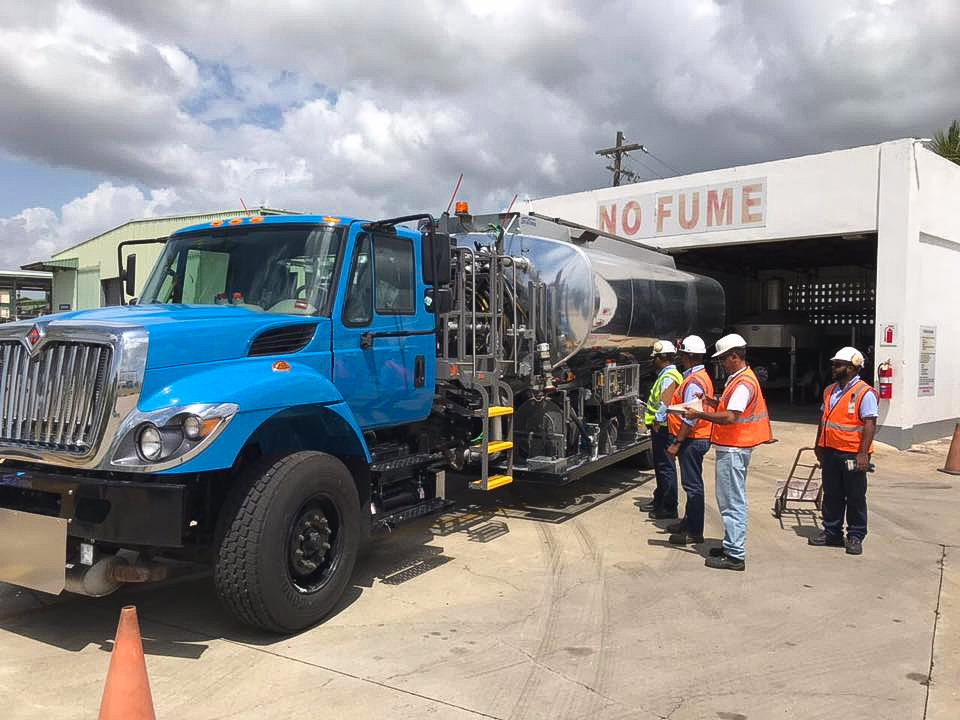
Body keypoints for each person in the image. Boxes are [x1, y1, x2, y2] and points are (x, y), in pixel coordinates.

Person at [684, 333, 772, 571]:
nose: (721, 363)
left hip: (734, 448)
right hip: (734, 447)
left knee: (732, 501)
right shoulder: (740, 379)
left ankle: (734, 554)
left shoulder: (743, 383)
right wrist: (710, 402)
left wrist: (700, 414)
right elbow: (727, 408)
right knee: (730, 499)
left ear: (735, 356)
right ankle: (730, 544)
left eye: (723, 359)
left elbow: (731, 417)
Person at [808, 347, 878, 556]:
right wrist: (818, 444)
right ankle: (832, 532)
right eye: (834, 364)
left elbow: (869, 423)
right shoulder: (830, 390)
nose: (833, 367)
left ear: (852, 368)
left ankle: (855, 536)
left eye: (838, 364)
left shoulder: (865, 393)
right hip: (830, 451)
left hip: (853, 453)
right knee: (832, 494)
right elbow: (824, 419)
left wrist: (863, 454)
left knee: (855, 496)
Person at [665, 335, 714, 545]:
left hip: (693, 439)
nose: (681, 359)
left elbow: (691, 416)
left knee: (692, 486)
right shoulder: (699, 376)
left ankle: (694, 531)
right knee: (691, 484)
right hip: (697, 437)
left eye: (683, 355)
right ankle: (688, 523)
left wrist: (677, 442)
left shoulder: (694, 381)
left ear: (690, 356)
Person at [638, 340, 683, 519]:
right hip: (661, 428)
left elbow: (665, 402)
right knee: (660, 466)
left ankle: (669, 507)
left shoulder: (669, 377)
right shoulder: (666, 374)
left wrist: (657, 419)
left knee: (665, 467)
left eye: (655, 357)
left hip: (664, 428)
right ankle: (660, 499)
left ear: (663, 358)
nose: (652, 361)